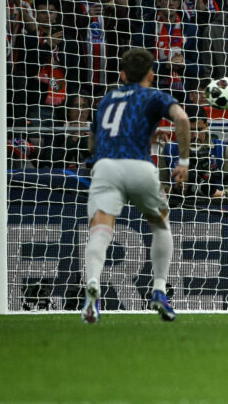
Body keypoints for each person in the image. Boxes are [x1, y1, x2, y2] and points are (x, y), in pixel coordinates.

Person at [81, 48, 191, 324]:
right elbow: (181, 118)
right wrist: (183, 161)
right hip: (140, 167)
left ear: (122, 74)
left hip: (106, 166)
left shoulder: (107, 99)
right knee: (160, 225)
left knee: (100, 229)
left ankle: (93, 283)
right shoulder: (153, 95)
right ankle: (159, 289)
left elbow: (93, 139)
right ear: (151, 75)